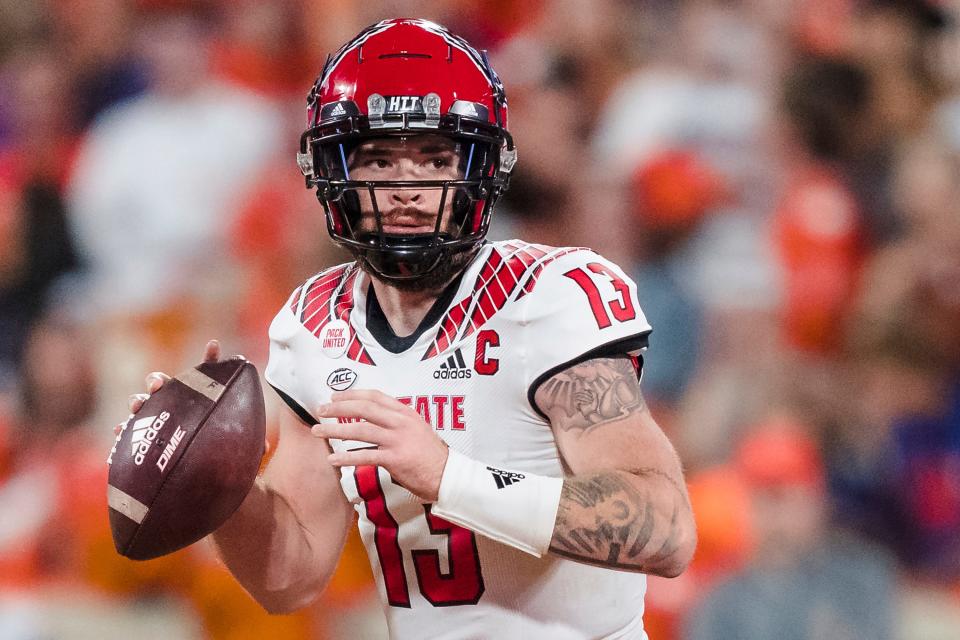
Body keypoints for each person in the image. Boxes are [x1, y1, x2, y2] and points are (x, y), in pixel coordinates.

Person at [124, 19, 696, 639]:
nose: (406, 188)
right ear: (332, 170)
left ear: (479, 166)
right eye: (378, 159)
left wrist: (449, 475)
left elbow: (665, 529)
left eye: (432, 158)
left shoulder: (550, 296)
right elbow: (290, 575)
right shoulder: (316, 326)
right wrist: (218, 481)